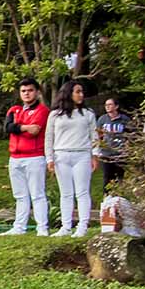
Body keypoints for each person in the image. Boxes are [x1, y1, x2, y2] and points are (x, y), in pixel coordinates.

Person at [46, 80, 100, 238]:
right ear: (69, 93)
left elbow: (94, 135)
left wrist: (95, 155)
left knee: (82, 192)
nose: (81, 95)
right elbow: (49, 137)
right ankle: (66, 226)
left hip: (82, 154)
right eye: (77, 92)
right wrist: (49, 158)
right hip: (61, 155)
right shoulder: (55, 114)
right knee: (66, 193)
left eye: (82, 92)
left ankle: (83, 226)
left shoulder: (88, 113)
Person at [1, 78, 51, 236]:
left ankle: (42, 228)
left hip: (34, 156)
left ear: (36, 92)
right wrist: (24, 127)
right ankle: (19, 227)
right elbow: (7, 128)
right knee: (20, 195)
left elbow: (35, 131)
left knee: (37, 193)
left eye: (30, 90)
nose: (27, 93)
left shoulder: (42, 110)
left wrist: (19, 127)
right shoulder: (14, 110)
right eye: (23, 91)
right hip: (15, 156)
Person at [96, 97, 132, 190]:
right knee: (107, 177)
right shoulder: (102, 119)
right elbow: (98, 135)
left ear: (116, 106)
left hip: (120, 153)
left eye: (110, 104)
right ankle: (107, 199)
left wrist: (128, 148)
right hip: (106, 153)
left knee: (119, 177)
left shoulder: (124, 119)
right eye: (106, 105)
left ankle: (119, 199)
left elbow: (131, 134)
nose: (107, 107)